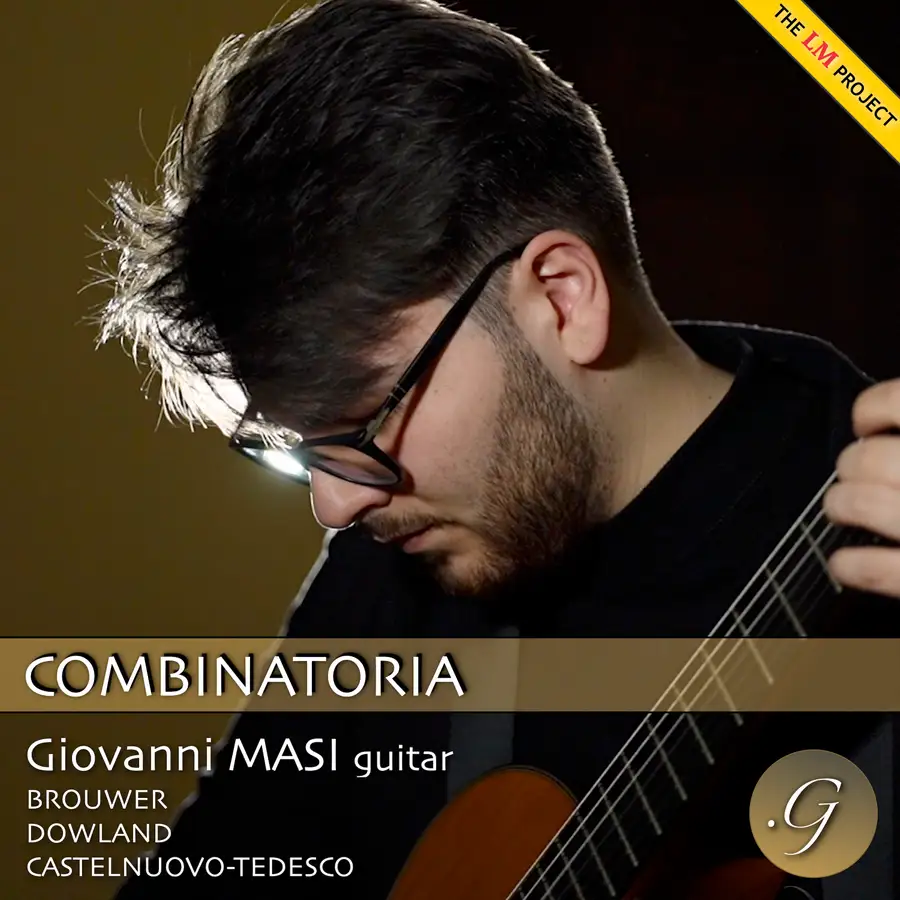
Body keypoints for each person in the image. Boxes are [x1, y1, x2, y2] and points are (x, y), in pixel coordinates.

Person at [94, 0, 899, 896]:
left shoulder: (877, 513)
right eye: (298, 447)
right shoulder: (385, 579)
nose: (335, 505)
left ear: (562, 297)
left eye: (363, 422)